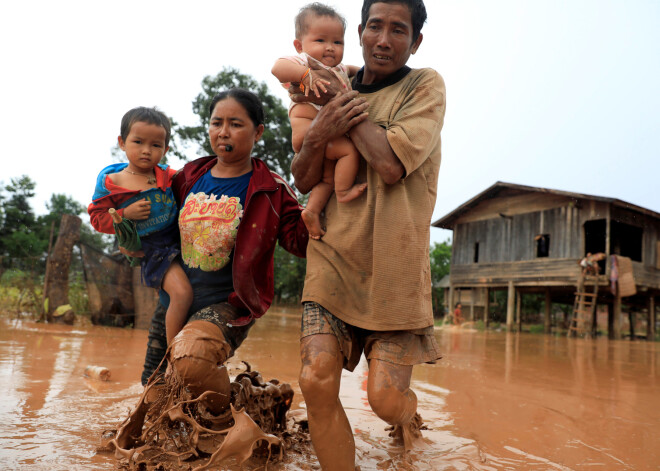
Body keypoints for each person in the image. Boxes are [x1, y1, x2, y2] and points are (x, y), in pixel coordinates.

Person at [290, 0, 446, 468]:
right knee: (316, 379)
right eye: (374, 26)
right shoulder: (324, 85)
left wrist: (337, 107)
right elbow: (302, 176)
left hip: (394, 272)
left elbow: (389, 164)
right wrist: (320, 132)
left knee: (384, 399)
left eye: (398, 30)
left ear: (415, 41)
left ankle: (409, 416)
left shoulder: (424, 85)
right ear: (358, 31)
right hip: (332, 261)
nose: (383, 39)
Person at [139, 89, 309, 414]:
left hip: (227, 305)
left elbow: (298, 241)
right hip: (174, 303)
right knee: (155, 396)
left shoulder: (270, 188)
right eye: (216, 123)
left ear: (258, 132)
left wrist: (320, 204)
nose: (223, 132)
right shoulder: (189, 176)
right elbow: (158, 223)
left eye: (235, 124)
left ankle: (243, 406)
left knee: (191, 359)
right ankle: (238, 400)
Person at [88, 107, 193, 346]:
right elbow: (97, 219)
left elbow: (196, 185)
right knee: (182, 293)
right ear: (122, 142)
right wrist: (125, 213)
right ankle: (175, 354)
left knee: (190, 294)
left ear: (165, 149)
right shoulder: (112, 183)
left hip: (180, 240)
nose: (146, 150)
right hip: (152, 249)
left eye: (156, 145)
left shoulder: (168, 176)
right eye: (138, 142)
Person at [271, 3, 365, 239]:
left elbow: (355, 70)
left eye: (337, 42)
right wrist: (305, 76)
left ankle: (311, 211)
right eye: (321, 40)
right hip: (307, 132)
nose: (330, 48)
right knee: (349, 152)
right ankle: (343, 192)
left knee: (327, 177)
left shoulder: (339, 68)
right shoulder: (304, 63)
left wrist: (363, 72)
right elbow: (277, 68)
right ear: (299, 45)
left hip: (326, 137)